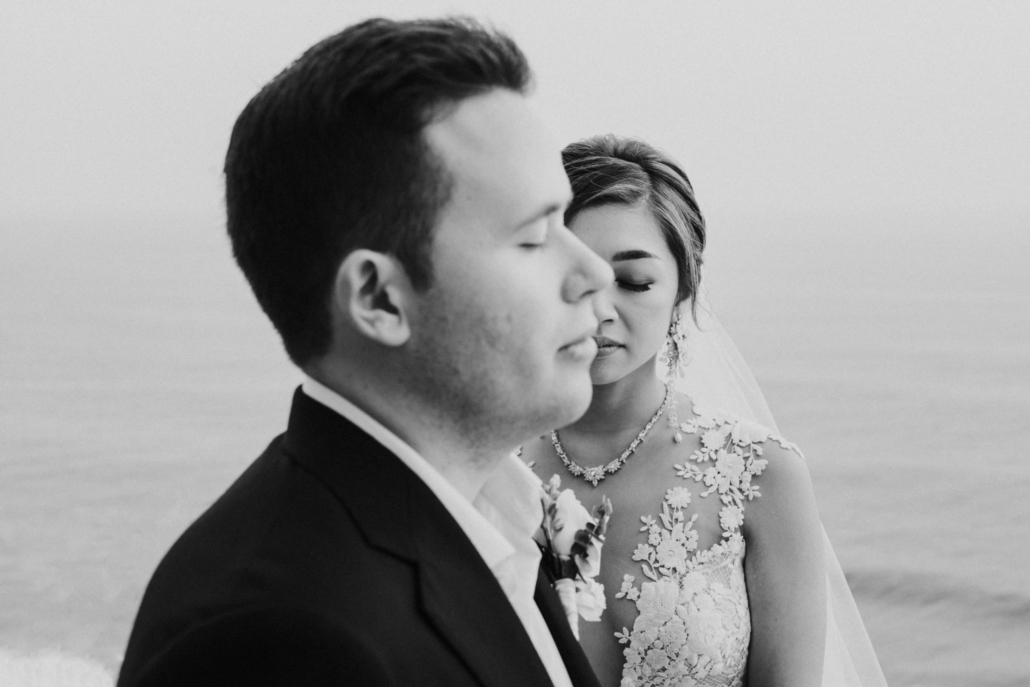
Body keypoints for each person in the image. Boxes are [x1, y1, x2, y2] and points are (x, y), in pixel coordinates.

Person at [116, 18, 614, 687]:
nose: (594, 272)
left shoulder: (495, 518)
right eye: (533, 237)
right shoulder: (273, 640)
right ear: (380, 299)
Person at [520, 135, 888, 687]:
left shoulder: (759, 474)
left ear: (682, 288)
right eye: (574, 278)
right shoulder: (491, 468)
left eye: (634, 282)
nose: (600, 311)